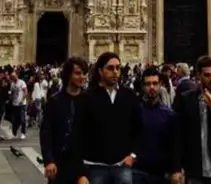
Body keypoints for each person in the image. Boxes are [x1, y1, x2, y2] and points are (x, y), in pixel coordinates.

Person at [72, 51, 143, 184]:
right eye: (110, 68)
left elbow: (139, 129)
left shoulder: (129, 96)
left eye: (118, 68)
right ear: (100, 71)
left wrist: (133, 155)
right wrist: (80, 172)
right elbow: (77, 136)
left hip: (122, 166)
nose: (115, 72)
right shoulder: (86, 98)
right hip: (94, 167)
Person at [172, 55, 211, 184]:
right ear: (198, 75)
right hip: (194, 169)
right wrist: (176, 167)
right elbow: (177, 135)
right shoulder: (186, 99)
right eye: (207, 75)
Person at [41, 57, 89, 184]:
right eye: (78, 73)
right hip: (59, 163)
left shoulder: (88, 101)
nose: (82, 77)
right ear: (68, 75)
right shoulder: (54, 101)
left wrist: (84, 171)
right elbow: (46, 133)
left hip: (82, 164)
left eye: (84, 73)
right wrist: (49, 160)